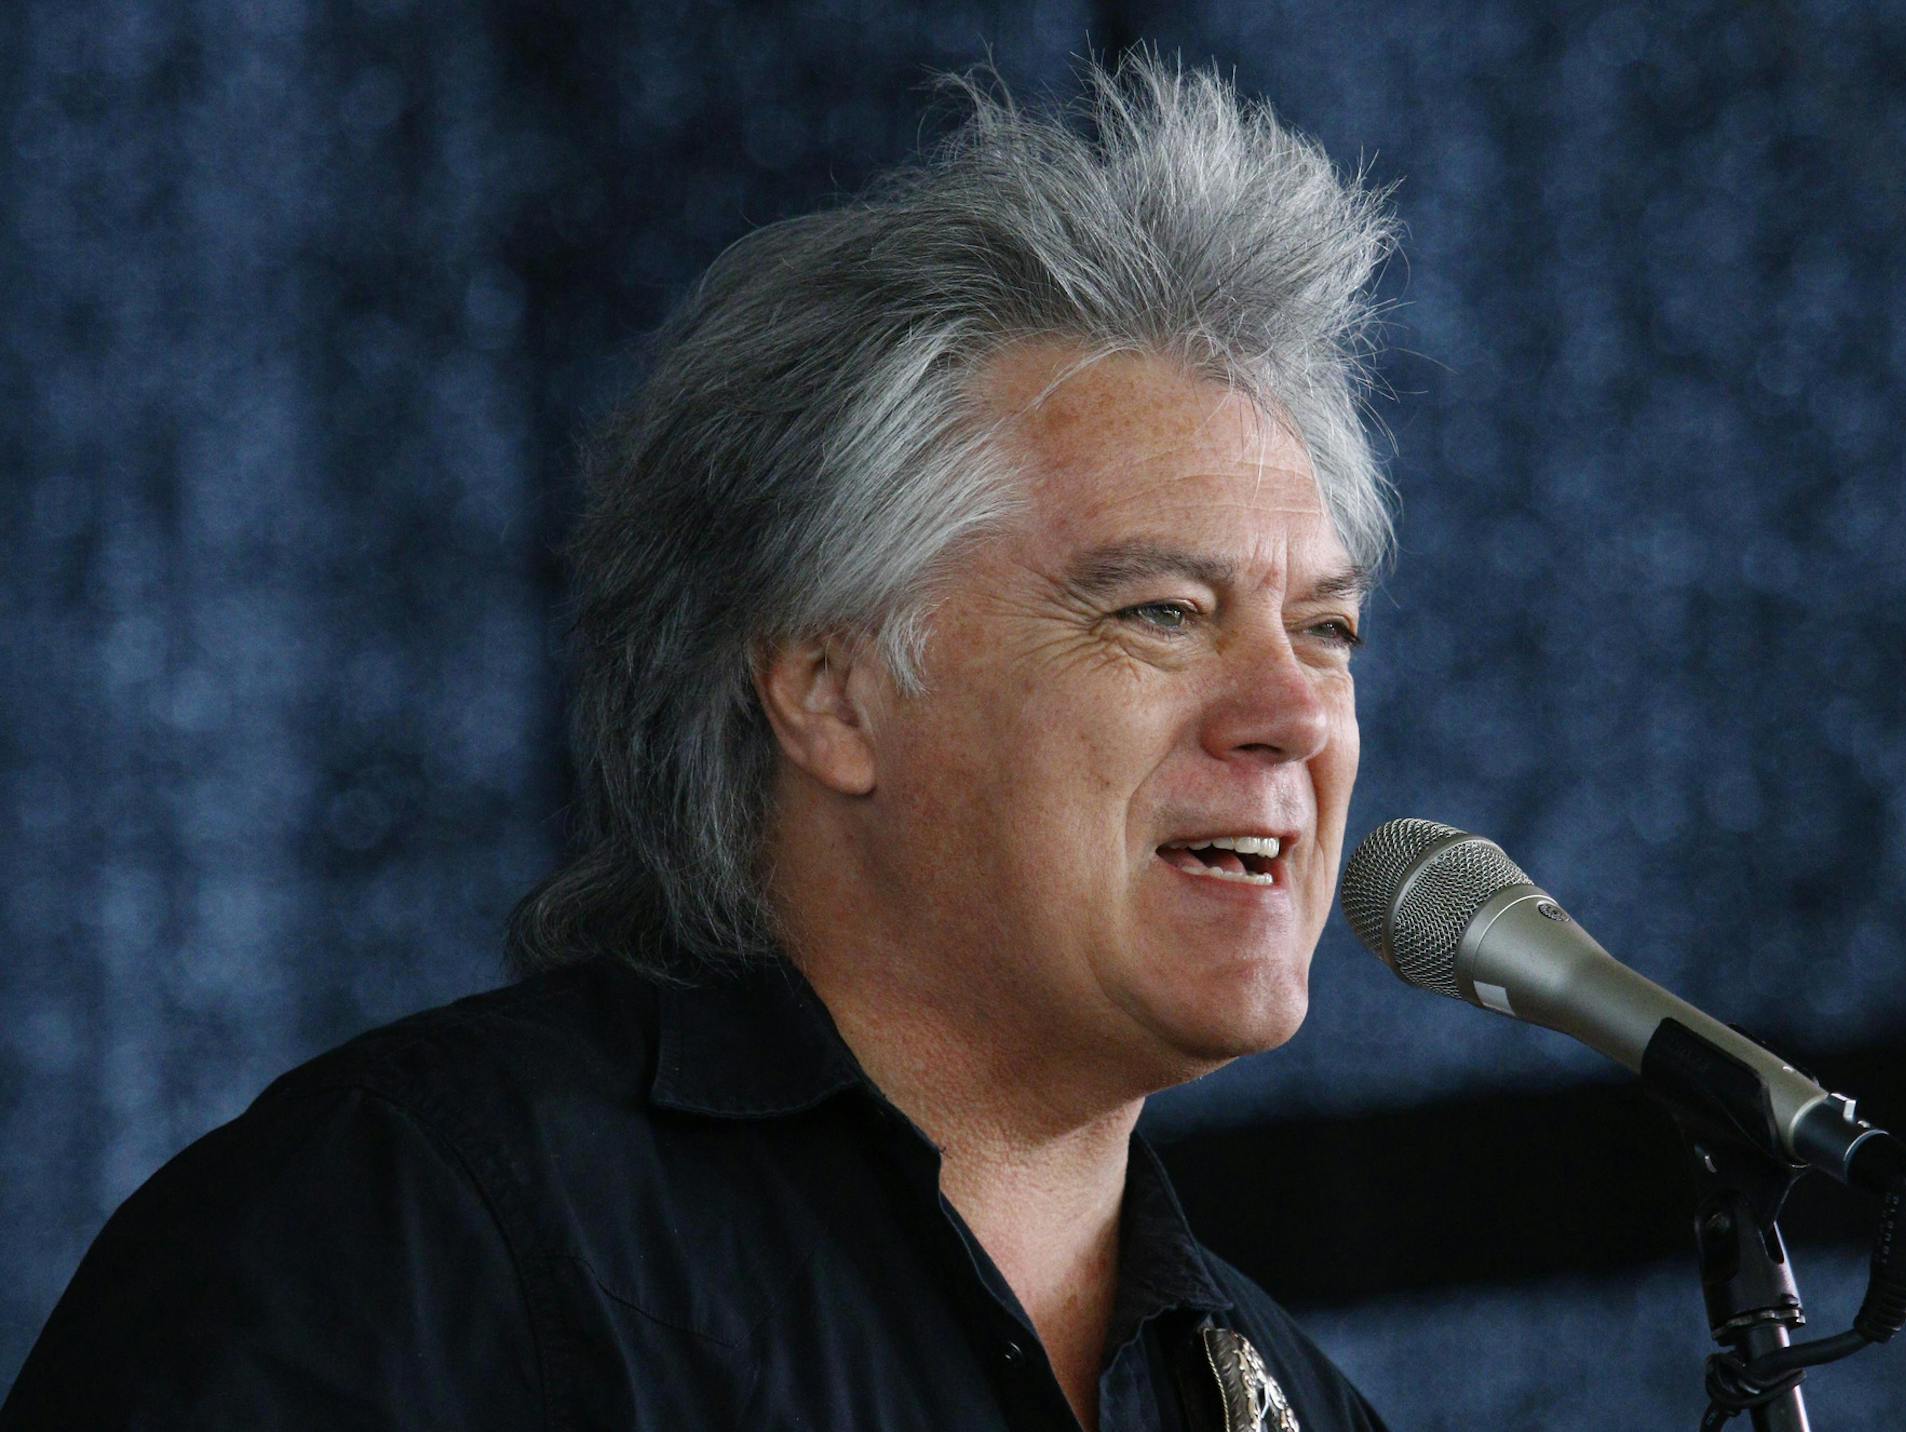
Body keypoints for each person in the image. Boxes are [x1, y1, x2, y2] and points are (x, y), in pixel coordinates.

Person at [3, 52, 1399, 1431]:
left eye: (1326, 630)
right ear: (827, 691)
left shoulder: (1284, 1399)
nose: (1290, 715)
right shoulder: (410, 1233)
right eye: (1160, 612)